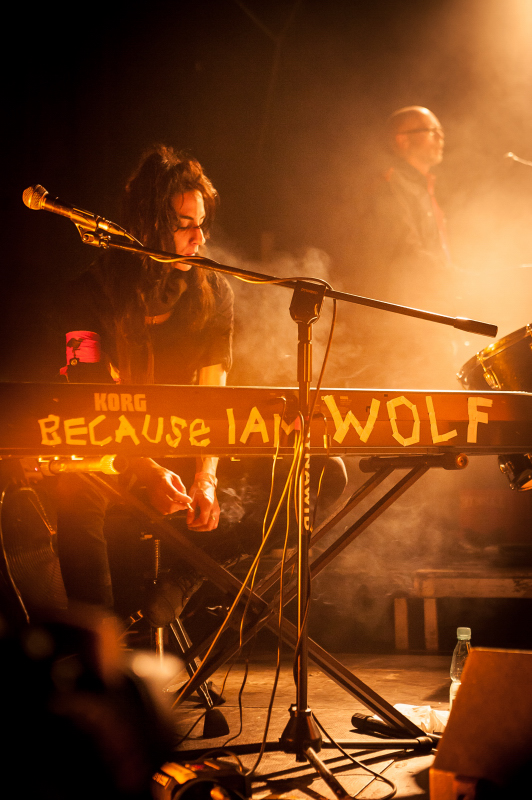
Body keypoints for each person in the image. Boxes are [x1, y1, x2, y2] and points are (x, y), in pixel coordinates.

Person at [55, 145, 234, 616]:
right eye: (184, 224)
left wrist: (206, 478)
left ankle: (186, 577)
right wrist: (146, 469)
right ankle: (100, 654)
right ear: (148, 225)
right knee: (76, 495)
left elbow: (213, 395)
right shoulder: (90, 292)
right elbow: (88, 394)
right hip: (117, 453)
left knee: (319, 472)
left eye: (202, 223)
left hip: (189, 446)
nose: (199, 237)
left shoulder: (214, 291)